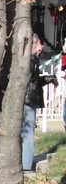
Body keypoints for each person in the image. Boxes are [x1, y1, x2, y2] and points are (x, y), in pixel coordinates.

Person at [23, 33, 58, 172]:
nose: (41, 48)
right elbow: (32, 84)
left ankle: (25, 162)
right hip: (28, 100)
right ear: (33, 44)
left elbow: (35, 81)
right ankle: (26, 165)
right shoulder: (30, 61)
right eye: (38, 45)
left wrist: (49, 78)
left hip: (28, 99)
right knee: (27, 133)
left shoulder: (32, 60)